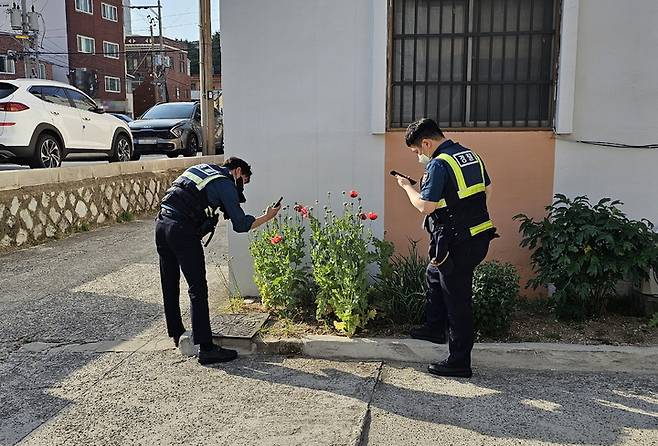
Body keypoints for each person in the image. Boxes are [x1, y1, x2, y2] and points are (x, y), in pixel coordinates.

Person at [395, 118, 496, 378]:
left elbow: (425, 206)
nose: (419, 156)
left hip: (458, 243)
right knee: (433, 274)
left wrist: (407, 188)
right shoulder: (468, 155)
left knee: (458, 300)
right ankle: (434, 327)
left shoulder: (438, 164)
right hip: (478, 234)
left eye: (418, 151)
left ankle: (459, 361)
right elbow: (486, 189)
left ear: (426, 143)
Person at [155, 157, 280, 365]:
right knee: (198, 289)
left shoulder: (202, 169)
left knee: (169, 282)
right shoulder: (225, 183)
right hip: (181, 230)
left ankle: (176, 333)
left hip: (161, 224)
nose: (242, 187)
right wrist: (267, 217)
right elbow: (240, 224)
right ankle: (206, 348)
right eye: (244, 181)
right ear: (238, 171)